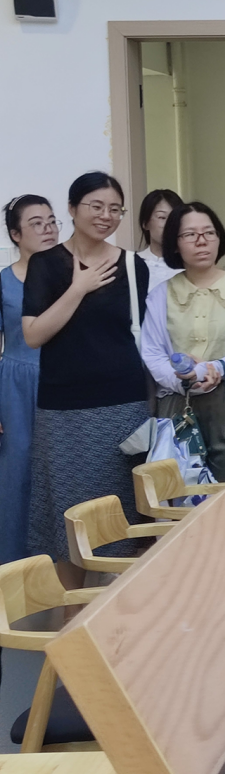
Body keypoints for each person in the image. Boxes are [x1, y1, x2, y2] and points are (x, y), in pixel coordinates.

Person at [22, 172, 151, 579]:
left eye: (115, 209)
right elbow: (33, 335)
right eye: (96, 206)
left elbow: (139, 333)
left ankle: (120, 610)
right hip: (62, 409)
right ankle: (71, 611)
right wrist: (78, 287)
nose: (106, 215)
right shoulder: (46, 264)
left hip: (122, 406)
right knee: (68, 515)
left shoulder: (133, 266)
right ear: (73, 209)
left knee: (121, 517)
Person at [141, 203, 225, 483]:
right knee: (179, 489)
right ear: (175, 243)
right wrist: (183, 381)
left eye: (209, 233)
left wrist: (215, 369)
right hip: (176, 398)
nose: (201, 241)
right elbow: (151, 352)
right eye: (190, 234)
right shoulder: (160, 295)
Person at [1, 196, 60, 564]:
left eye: (52, 221)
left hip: (62, 380)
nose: (48, 229)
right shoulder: (3, 282)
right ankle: (13, 567)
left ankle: (62, 566)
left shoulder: (70, 278)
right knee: (17, 471)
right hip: (15, 386)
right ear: (15, 234)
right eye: (36, 223)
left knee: (59, 472)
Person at [137, 188, 183, 287]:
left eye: (174, 218)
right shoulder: (133, 264)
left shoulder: (190, 264)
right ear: (145, 223)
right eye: (162, 217)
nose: (169, 224)